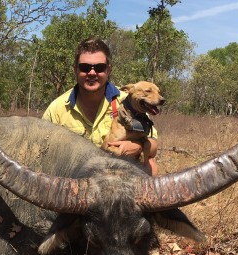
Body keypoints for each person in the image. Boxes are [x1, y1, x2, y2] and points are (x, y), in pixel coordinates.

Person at [42, 38, 158, 175]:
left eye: (99, 68)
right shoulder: (57, 108)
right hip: (72, 177)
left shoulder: (130, 101)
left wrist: (137, 147)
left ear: (108, 70)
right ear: (75, 69)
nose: (92, 73)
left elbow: (153, 146)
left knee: (151, 164)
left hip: (118, 175)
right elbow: (41, 150)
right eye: (85, 67)